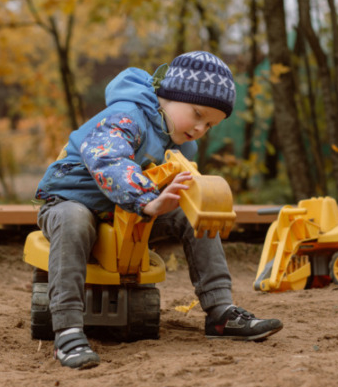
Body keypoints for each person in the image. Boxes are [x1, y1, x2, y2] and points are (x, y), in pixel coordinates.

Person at [35, 51, 283, 370]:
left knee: (193, 215)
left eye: (209, 124)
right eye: (197, 114)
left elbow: (179, 191)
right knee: (74, 220)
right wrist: (146, 199)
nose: (199, 128)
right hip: (72, 199)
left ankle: (221, 311)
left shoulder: (180, 145)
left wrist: (180, 201)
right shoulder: (127, 114)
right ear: (168, 95)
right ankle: (68, 331)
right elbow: (108, 158)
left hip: (129, 209)